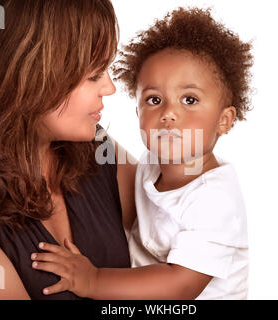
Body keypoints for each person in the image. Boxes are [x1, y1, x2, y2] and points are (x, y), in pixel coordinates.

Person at [31, 7, 253, 299]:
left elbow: (180, 286)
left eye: (189, 99)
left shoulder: (215, 199)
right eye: (154, 99)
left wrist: (93, 280)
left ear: (224, 120)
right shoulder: (149, 166)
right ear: (137, 112)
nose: (169, 113)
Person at [0, 0, 137, 300]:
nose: (110, 87)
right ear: (32, 75)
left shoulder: (99, 150)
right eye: (93, 74)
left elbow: (187, 224)